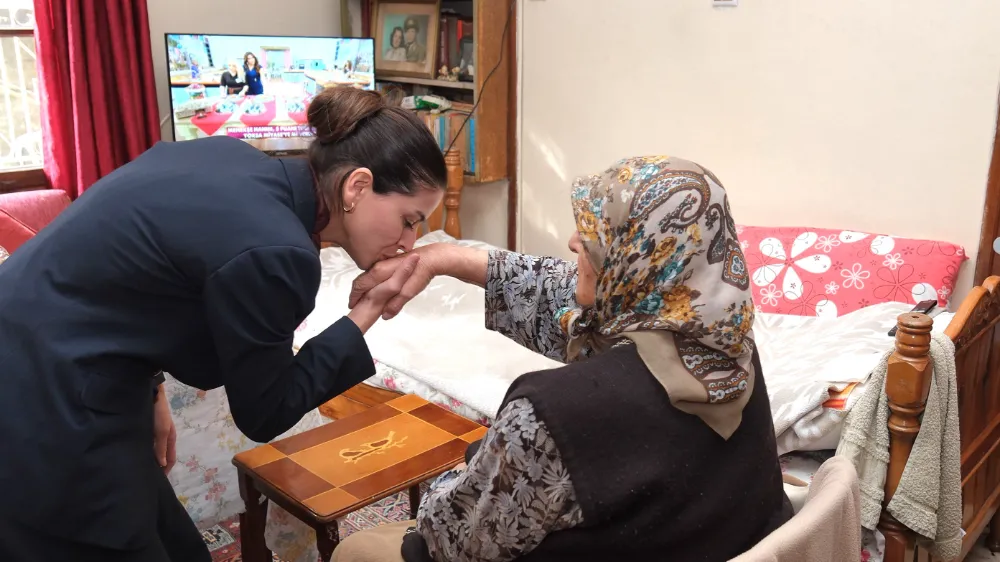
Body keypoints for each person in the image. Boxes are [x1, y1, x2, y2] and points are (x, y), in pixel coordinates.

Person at [0, 87, 447, 561]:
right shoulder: (277, 251)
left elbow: (121, 272)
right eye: (409, 220)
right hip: (41, 395)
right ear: (356, 186)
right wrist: (366, 311)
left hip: (60, 354)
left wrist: (152, 386)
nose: (409, 243)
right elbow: (265, 411)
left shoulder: (228, 155)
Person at [337, 156, 793, 562]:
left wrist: (465, 474)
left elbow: (455, 541)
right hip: (706, 541)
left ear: (638, 259)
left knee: (356, 549)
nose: (575, 242)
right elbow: (571, 306)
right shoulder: (730, 348)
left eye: (600, 234)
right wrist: (443, 258)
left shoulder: (552, 412)